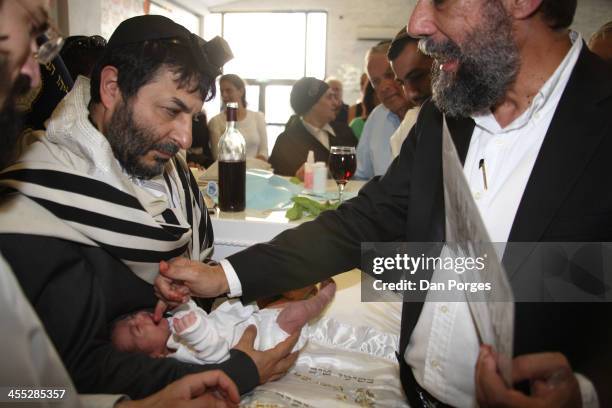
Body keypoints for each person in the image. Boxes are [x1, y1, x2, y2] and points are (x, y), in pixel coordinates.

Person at [156, 0, 612, 407]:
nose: (417, 22)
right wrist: (225, 276)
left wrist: (587, 394)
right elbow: (364, 221)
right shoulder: (446, 113)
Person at [0, 14, 298, 400]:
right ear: (111, 88)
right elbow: (61, 378)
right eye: (171, 110)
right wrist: (233, 371)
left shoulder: (168, 171)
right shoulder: (37, 202)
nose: (185, 137)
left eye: (192, 116)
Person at [113, 280, 336, 364]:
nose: (137, 320)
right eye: (135, 331)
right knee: (295, 314)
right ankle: (324, 297)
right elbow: (217, 355)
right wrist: (195, 334)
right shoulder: (179, 354)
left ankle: (304, 287)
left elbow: (194, 311)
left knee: (267, 290)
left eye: (131, 317)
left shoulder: (176, 323)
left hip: (248, 319)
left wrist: (181, 300)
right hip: (266, 340)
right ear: (155, 356)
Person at [268, 76, 357, 177]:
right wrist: (296, 178)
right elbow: (278, 183)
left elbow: (360, 169)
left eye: (335, 97)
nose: (336, 103)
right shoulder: (287, 141)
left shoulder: (345, 132)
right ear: (312, 104)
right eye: (329, 97)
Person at [354, 41, 411, 180]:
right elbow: (361, 176)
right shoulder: (377, 117)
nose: (383, 87)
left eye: (389, 75)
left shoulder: (434, 117)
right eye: (376, 81)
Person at [387, 27, 433, 157]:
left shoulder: (482, 120)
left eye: (416, 76)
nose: (410, 94)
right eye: (402, 83)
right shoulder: (411, 124)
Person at [208, 73, 268, 161]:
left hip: (256, 171)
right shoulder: (216, 121)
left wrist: (251, 167)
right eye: (222, 91)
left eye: (228, 90)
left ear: (241, 91)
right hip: (230, 171)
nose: (224, 95)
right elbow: (218, 157)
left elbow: (264, 151)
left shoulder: (258, 117)